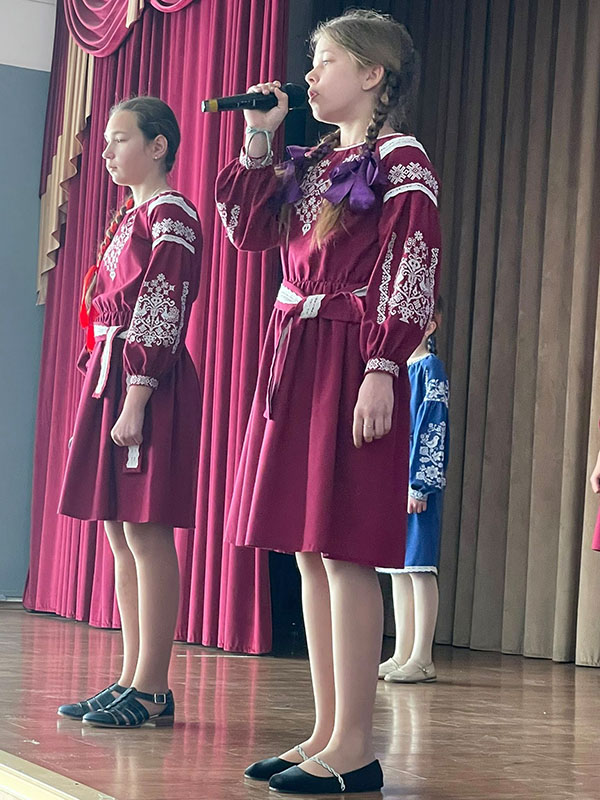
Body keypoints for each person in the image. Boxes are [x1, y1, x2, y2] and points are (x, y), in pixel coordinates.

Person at [216, 9, 441, 794]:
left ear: (373, 75)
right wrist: (259, 138)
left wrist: (382, 365)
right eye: (311, 61)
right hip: (300, 349)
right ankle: (325, 731)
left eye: (327, 61)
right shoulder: (309, 161)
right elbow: (245, 230)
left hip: (352, 352)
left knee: (344, 548)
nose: (309, 75)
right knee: (309, 548)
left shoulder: (400, 160)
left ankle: (355, 747)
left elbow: (412, 262)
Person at [56, 96, 202, 728]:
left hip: (148, 378)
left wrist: (137, 395)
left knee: (145, 530)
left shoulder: (172, 214)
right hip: (113, 373)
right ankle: (128, 676)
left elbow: (162, 304)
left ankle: (153, 687)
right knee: (118, 532)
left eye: (120, 139)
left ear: (158, 145)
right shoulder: (130, 217)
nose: (108, 152)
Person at [377, 297, 449, 684]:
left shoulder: (429, 368)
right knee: (398, 569)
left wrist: (420, 483)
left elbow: (432, 425)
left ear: (429, 326)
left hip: (416, 482)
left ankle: (422, 656)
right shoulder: (396, 371)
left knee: (420, 568)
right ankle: (401, 652)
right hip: (393, 481)